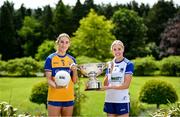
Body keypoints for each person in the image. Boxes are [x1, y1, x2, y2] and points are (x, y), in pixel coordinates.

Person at [44, 33, 78, 117]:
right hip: (54, 97)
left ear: (69, 44)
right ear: (57, 43)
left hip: (68, 97)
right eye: (62, 42)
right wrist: (56, 86)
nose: (64, 44)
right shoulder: (50, 58)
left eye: (67, 42)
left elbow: (75, 81)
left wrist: (75, 71)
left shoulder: (72, 59)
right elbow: (48, 79)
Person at [103, 40, 134, 117]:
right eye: (115, 49)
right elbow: (105, 84)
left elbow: (126, 85)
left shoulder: (128, 64)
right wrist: (110, 69)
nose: (117, 51)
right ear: (112, 51)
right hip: (109, 99)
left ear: (123, 49)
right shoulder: (110, 64)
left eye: (119, 49)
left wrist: (111, 87)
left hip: (122, 100)